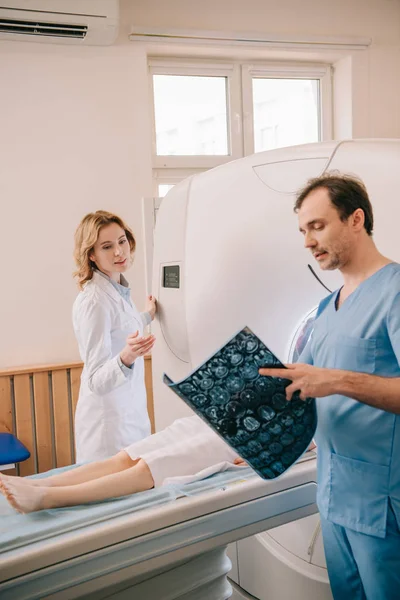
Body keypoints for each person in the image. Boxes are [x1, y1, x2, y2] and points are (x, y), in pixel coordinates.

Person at [259, 173, 400, 600]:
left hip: (381, 502)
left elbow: (330, 381)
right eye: (303, 230)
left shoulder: (394, 291)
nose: (307, 241)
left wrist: (336, 380)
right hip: (334, 493)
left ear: (356, 219)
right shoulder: (326, 306)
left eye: (317, 226)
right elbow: (309, 387)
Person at [0, 416, 241, 513]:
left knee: (150, 466)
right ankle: (41, 484)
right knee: (128, 456)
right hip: (222, 416)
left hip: (253, 438)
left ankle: (48, 497)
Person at [72, 210, 157, 463]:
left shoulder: (117, 290)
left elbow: (120, 327)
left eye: (121, 241)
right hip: (108, 426)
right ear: (91, 255)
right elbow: (96, 380)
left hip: (129, 415)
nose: (119, 252)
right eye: (107, 246)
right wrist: (127, 356)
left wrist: (147, 316)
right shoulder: (94, 300)